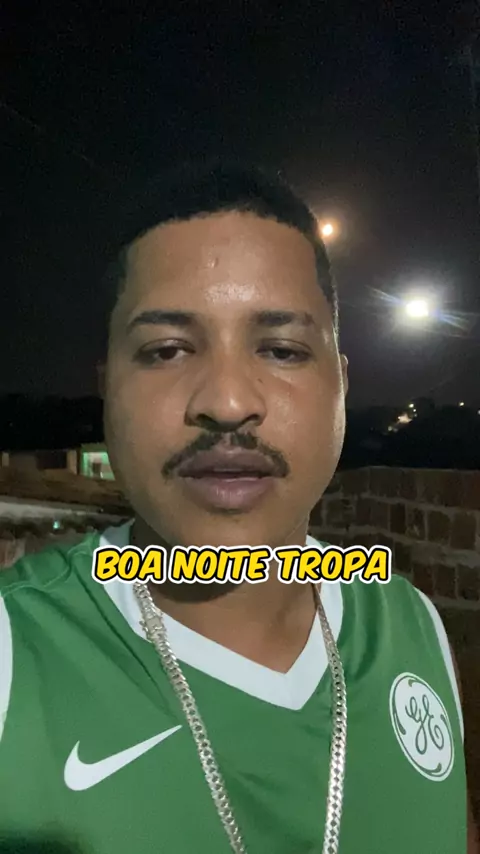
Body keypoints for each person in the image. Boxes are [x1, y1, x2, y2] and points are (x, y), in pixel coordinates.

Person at [0, 160, 477, 854]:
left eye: (281, 350)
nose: (227, 403)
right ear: (108, 388)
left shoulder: (411, 626)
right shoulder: (17, 651)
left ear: (340, 387)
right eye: (166, 350)